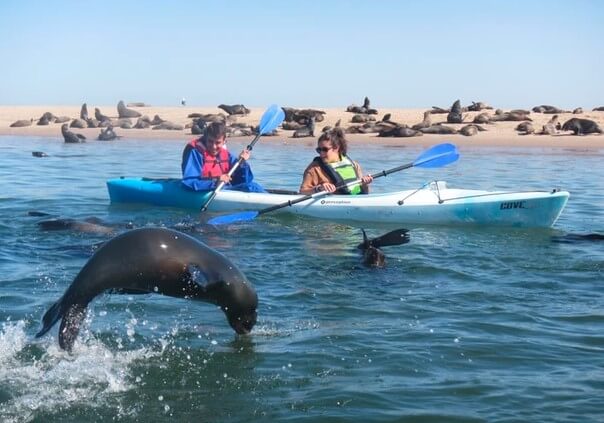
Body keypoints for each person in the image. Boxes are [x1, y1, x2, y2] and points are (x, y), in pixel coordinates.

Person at [181, 121, 265, 192]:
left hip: (225, 189)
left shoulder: (226, 155)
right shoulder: (196, 153)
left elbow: (245, 180)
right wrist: (215, 183)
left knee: (252, 186)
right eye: (210, 141)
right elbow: (189, 182)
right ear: (206, 138)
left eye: (217, 143)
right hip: (205, 190)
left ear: (224, 141)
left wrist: (242, 163)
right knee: (252, 187)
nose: (213, 146)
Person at [299, 128, 373, 195]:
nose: (321, 153)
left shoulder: (354, 165)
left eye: (325, 150)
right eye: (319, 150)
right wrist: (319, 188)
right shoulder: (314, 168)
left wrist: (365, 183)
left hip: (356, 199)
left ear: (336, 148)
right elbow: (303, 191)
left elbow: (365, 192)